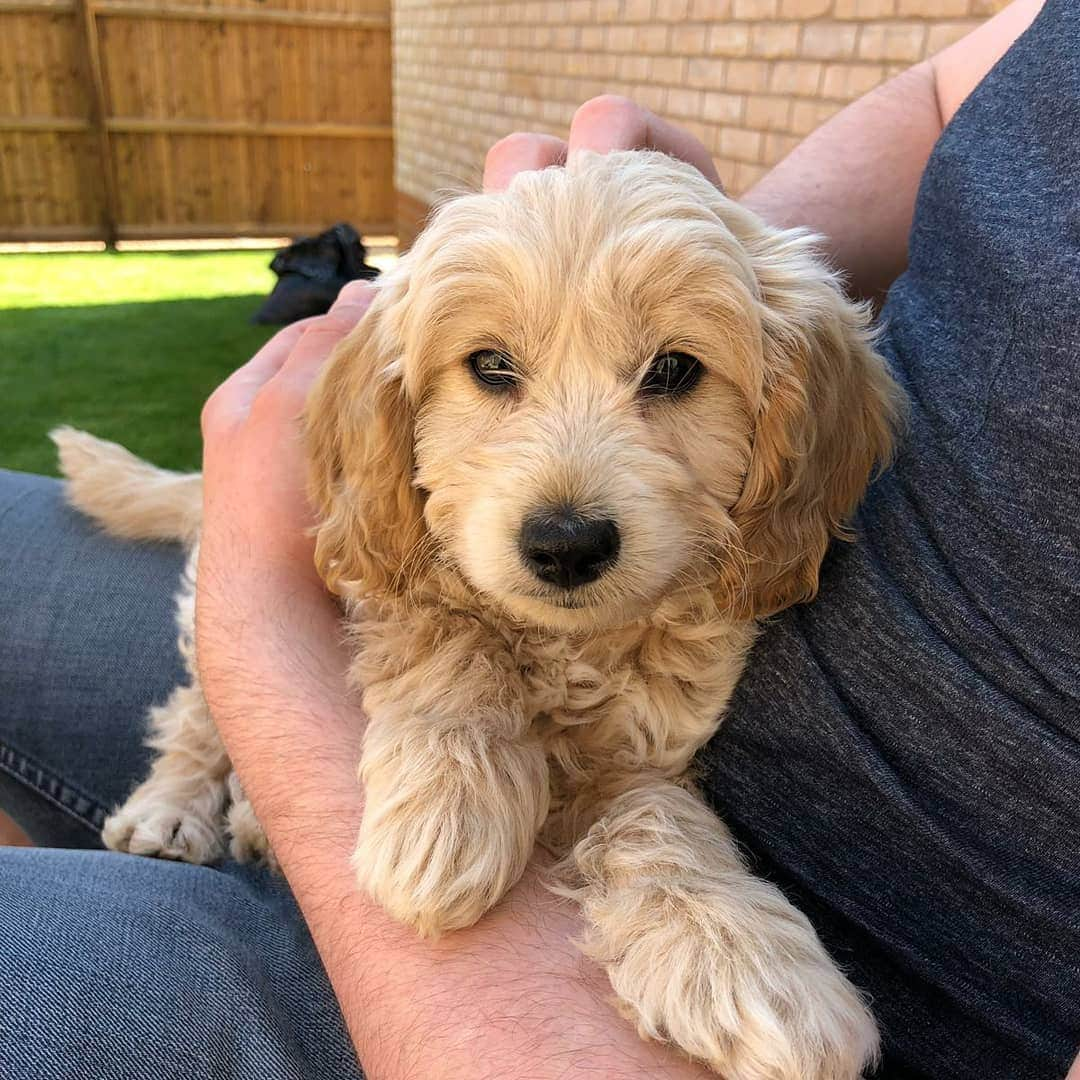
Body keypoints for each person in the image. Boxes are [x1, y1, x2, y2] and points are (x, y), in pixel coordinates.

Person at [0, 0, 1076, 1075]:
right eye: (493, 369)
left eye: (673, 375)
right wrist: (663, 241)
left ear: (787, 417)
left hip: (561, 998)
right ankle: (189, 764)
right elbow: (945, 93)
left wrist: (264, 633)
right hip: (377, 713)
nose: (565, 506)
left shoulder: (801, 408)